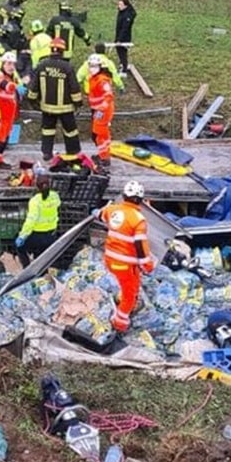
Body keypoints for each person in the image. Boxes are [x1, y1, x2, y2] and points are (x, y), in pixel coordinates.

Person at [98, 180, 154, 332]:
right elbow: (141, 246)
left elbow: (100, 215)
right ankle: (120, 323)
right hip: (125, 264)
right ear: (141, 200)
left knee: (131, 286)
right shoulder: (138, 219)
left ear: (123, 196)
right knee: (130, 294)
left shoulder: (112, 210)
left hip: (110, 259)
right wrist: (148, 265)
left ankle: (120, 301)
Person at [27, 38, 83, 162]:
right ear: (63, 51)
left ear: (51, 49)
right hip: (66, 108)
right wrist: (78, 104)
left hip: (47, 108)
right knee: (70, 131)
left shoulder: (42, 65)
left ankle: (47, 153)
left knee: (47, 130)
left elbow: (33, 86)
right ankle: (73, 151)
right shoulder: (67, 67)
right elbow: (74, 87)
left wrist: (32, 101)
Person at [14, 170, 59, 266]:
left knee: (19, 247)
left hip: (37, 235)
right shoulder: (55, 196)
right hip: (51, 235)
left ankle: (26, 267)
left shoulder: (35, 201)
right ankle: (41, 267)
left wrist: (22, 236)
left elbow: (31, 221)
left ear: (37, 187)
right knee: (42, 252)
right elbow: (58, 204)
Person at [0, 51, 21, 169]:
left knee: (5, 138)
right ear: (3, 64)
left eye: (13, 64)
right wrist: (14, 86)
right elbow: (3, 84)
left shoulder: (12, 76)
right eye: (9, 64)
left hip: (8, 115)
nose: (11, 67)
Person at [86, 54, 115, 173]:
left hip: (102, 111)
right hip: (99, 110)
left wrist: (103, 106)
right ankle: (104, 156)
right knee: (100, 135)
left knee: (99, 135)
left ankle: (104, 158)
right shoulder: (94, 78)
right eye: (91, 66)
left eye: (94, 66)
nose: (92, 68)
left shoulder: (102, 80)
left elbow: (108, 94)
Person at [25, 18, 52, 83]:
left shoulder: (34, 40)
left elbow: (35, 55)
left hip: (40, 64)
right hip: (51, 62)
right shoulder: (48, 37)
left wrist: (34, 68)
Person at [114, 0, 136, 73]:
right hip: (119, 35)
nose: (119, 6)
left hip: (124, 37)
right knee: (120, 50)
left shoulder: (127, 15)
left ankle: (124, 69)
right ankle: (122, 64)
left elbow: (125, 28)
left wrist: (120, 39)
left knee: (122, 52)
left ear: (125, 5)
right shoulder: (121, 12)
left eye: (120, 4)